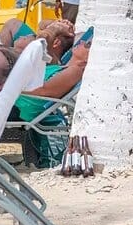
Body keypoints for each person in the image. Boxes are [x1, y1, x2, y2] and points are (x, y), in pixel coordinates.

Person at [10, 38, 91, 167]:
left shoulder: (75, 71)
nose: (81, 42)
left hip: (19, 106)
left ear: (87, 59)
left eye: (87, 45)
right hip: (16, 102)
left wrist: (9, 87)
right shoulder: (61, 66)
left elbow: (44, 91)